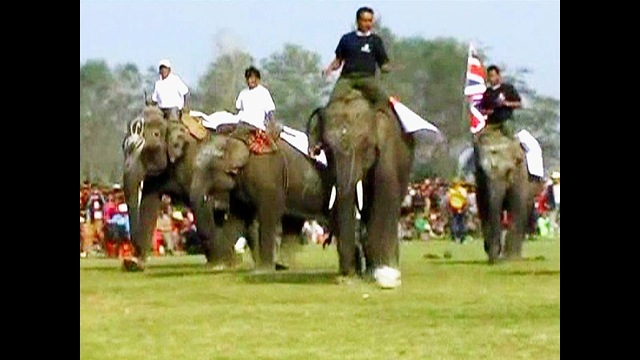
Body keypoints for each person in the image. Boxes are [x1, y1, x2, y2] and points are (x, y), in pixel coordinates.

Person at [323, 6, 391, 105]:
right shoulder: (347, 39)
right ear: (358, 21)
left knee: (384, 101)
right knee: (332, 103)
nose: (368, 24)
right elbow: (338, 61)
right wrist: (329, 69)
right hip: (347, 79)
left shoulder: (376, 41)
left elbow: (383, 62)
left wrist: (387, 68)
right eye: (365, 20)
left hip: (367, 78)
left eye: (370, 21)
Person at [478, 65, 522, 136]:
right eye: (489, 76)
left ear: (498, 76)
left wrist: (506, 103)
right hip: (492, 123)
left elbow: (519, 104)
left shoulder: (507, 88)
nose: (491, 78)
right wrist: (487, 111)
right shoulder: (487, 92)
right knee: (481, 137)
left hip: (505, 120)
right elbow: (482, 109)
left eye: (492, 76)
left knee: (508, 131)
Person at [235, 66, 277, 130]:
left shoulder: (264, 92)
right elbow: (238, 109)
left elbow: (270, 111)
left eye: (253, 78)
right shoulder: (243, 93)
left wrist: (272, 126)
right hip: (243, 125)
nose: (251, 80)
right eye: (249, 78)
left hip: (258, 126)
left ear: (258, 79)